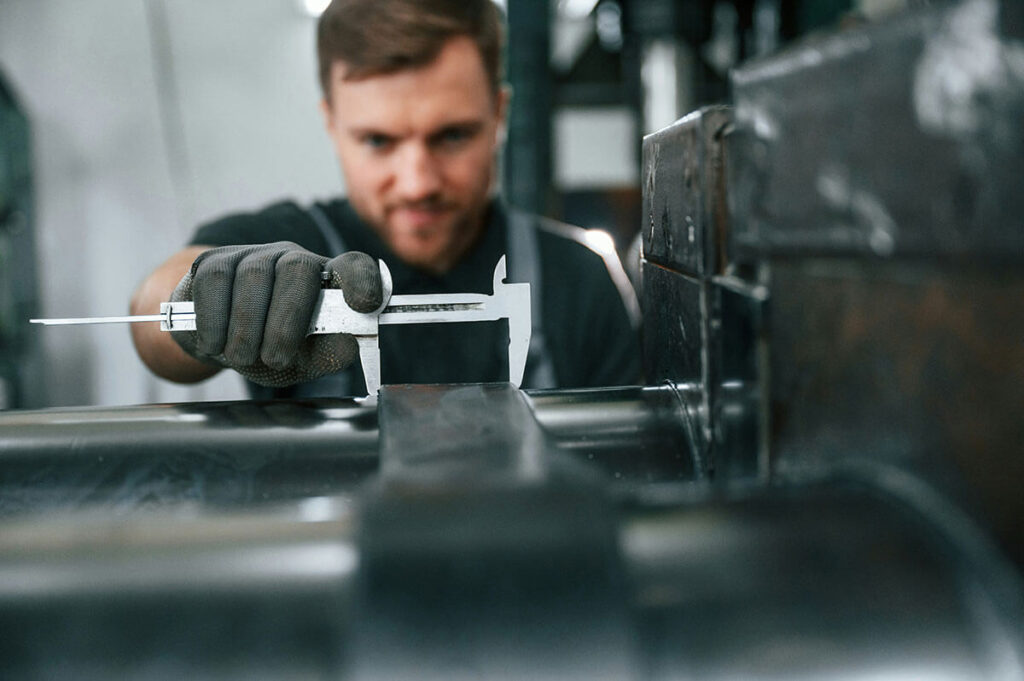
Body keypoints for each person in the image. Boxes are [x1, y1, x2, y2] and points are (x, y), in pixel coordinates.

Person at [130, 0, 640, 398]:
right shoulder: (291, 240)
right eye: (378, 141)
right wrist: (200, 301)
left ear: (499, 115)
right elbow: (153, 312)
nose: (418, 183)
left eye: (452, 135)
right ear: (332, 124)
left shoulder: (581, 280)